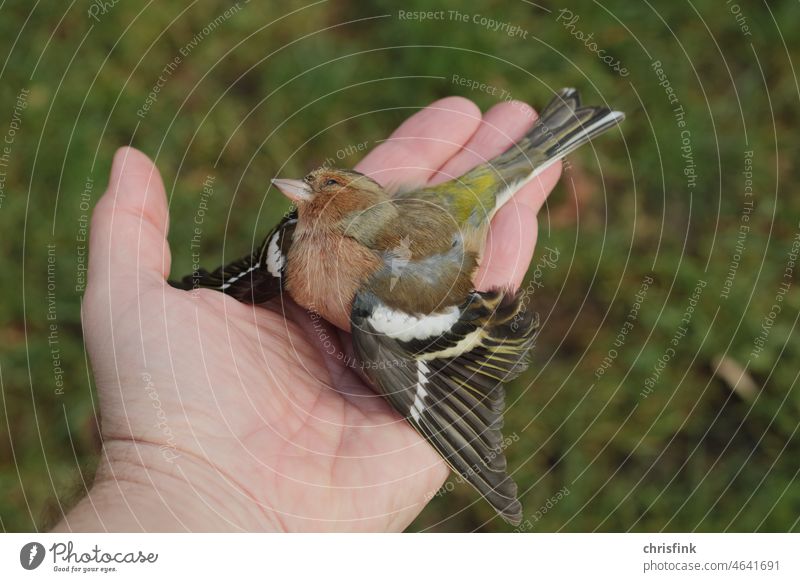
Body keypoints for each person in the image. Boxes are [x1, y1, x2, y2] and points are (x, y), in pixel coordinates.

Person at [55, 96, 561, 532]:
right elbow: (259, 274)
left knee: (395, 340)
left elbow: (438, 381)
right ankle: (561, 127)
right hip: (417, 214)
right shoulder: (300, 237)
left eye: (325, 188)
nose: (299, 190)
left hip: (444, 236)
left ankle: (559, 131)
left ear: (351, 208)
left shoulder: (380, 287)